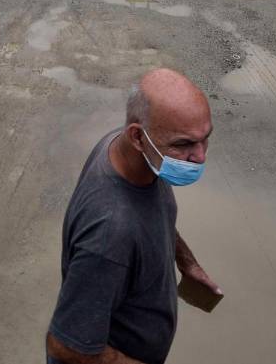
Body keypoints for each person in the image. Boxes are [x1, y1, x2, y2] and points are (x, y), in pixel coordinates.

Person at [46, 68, 221, 364]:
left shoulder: (134, 154)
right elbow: (65, 345)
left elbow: (153, 212)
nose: (201, 156)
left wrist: (187, 263)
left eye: (205, 139)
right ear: (138, 136)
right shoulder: (109, 237)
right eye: (184, 144)